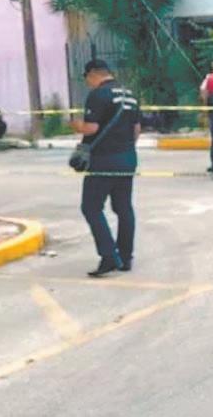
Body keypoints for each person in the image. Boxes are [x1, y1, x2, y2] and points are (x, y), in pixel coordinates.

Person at [70, 60, 141, 277]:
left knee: (91, 207)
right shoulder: (129, 95)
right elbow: (137, 130)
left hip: (104, 160)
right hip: (128, 157)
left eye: (87, 79)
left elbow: (91, 128)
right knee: (123, 207)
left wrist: (76, 125)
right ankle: (126, 257)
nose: (88, 83)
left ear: (93, 74)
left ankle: (109, 255)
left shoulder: (98, 95)